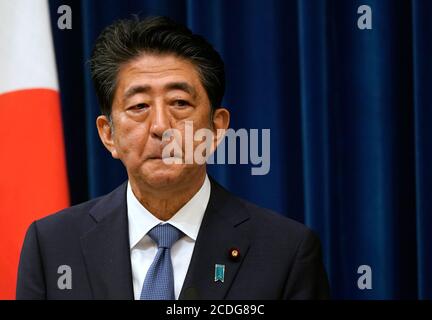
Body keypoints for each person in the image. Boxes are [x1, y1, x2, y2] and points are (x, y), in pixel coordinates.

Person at [16, 16, 330, 300]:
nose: (160, 126)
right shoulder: (53, 246)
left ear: (216, 128)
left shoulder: (285, 252)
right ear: (108, 134)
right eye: (139, 106)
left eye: (179, 103)